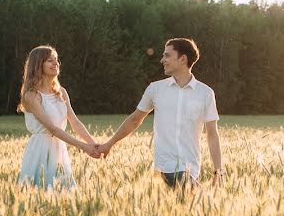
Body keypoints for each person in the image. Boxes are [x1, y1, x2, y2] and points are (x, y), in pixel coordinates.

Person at [97, 38, 224, 187]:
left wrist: (218, 171)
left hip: (192, 169)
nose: (162, 60)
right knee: (202, 204)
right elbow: (135, 120)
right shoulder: (155, 89)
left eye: (167, 55)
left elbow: (212, 133)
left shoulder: (205, 93)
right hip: (165, 168)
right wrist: (109, 144)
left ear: (183, 59)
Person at [17, 45, 100, 189]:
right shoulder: (31, 96)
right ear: (38, 65)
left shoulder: (61, 92)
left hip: (59, 149)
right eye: (50, 60)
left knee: (63, 192)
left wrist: (93, 145)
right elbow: (52, 129)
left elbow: (75, 122)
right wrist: (84, 147)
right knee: (38, 192)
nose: (56, 63)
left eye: (56, 59)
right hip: (40, 150)